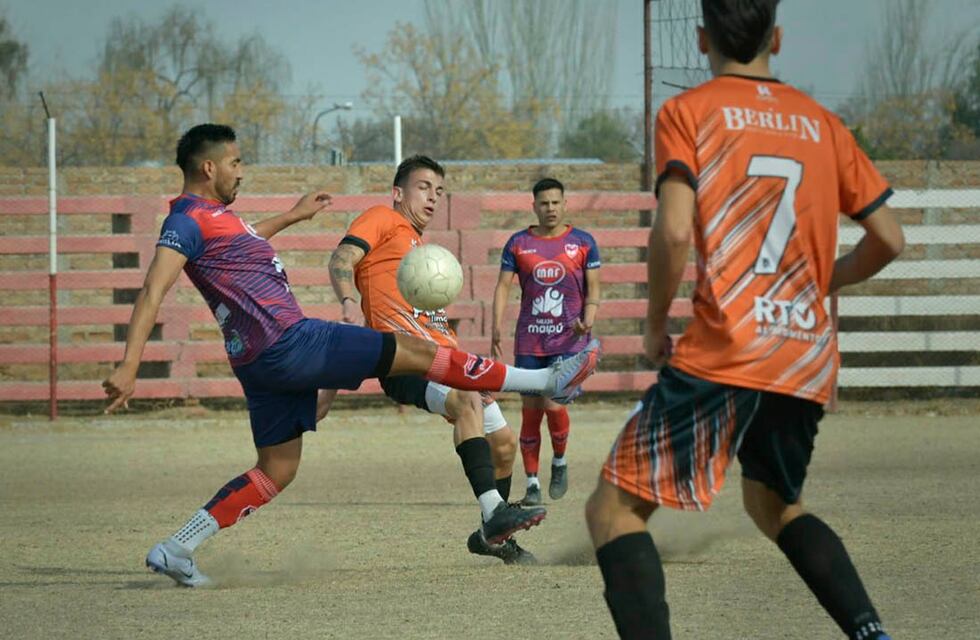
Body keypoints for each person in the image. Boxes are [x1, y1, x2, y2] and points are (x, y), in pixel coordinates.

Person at [101, 124, 600, 587]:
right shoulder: (185, 220)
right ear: (208, 167)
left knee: (277, 470)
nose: (241, 171)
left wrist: (293, 216)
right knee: (418, 352)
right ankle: (545, 382)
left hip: (259, 363)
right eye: (235, 162)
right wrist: (129, 365)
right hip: (290, 340)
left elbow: (244, 239)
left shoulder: (221, 220)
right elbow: (152, 288)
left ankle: (178, 547)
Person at [583, 2, 904, 638]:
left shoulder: (688, 112)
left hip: (728, 349)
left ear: (702, 37)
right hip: (803, 352)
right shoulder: (824, 124)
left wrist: (654, 323)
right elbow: (889, 238)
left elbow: (675, 231)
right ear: (776, 38)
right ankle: (872, 632)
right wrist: (822, 281)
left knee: (614, 510)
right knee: (776, 505)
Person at [322, 154, 535, 565]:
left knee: (505, 445)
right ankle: (494, 512)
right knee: (465, 402)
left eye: (439, 191)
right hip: (405, 358)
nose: (433, 197)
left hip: (445, 356)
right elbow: (341, 258)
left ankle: (493, 537)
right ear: (398, 193)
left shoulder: (421, 250)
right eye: (423, 188)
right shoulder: (382, 218)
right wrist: (349, 300)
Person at [491, 178, 601, 506]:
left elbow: (594, 288)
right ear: (534, 206)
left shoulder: (583, 243)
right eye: (544, 203)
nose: (550, 208)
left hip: (569, 341)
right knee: (530, 413)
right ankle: (532, 484)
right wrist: (496, 327)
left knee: (554, 406)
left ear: (565, 204)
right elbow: (502, 287)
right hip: (530, 341)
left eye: (555, 202)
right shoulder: (518, 243)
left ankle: (560, 461)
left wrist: (588, 318)